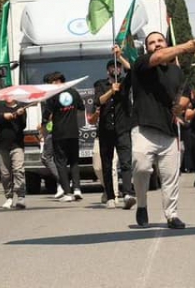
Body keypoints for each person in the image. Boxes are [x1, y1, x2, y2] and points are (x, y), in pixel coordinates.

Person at [130, 32, 195, 230]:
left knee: (170, 176)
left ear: (166, 43)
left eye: (160, 41)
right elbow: (159, 58)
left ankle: (172, 214)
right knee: (141, 168)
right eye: (152, 43)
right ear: (147, 48)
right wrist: (187, 47)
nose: (157, 45)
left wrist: (181, 107)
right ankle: (142, 204)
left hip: (169, 131)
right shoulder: (142, 64)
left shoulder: (177, 72)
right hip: (144, 128)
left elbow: (185, 96)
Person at [94, 49, 135, 210]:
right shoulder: (100, 84)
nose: (115, 69)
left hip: (123, 128)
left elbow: (132, 70)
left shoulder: (126, 82)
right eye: (112, 67)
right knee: (106, 163)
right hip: (105, 130)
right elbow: (98, 101)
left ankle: (128, 193)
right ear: (108, 70)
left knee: (126, 162)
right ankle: (110, 195)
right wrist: (111, 91)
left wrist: (120, 57)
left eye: (118, 67)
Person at [42, 72, 85, 203]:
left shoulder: (53, 95)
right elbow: (81, 108)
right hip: (73, 131)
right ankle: (77, 189)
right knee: (74, 161)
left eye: (51, 82)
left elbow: (46, 116)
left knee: (61, 163)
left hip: (59, 133)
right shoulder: (74, 92)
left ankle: (67, 192)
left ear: (57, 81)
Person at [0, 98, 27, 209]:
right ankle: (9, 197)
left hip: (17, 145)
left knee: (18, 170)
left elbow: (23, 125)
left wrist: (19, 115)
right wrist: (3, 117)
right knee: (5, 174)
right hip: (2, 146)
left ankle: (21, 197)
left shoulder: (21, 108)